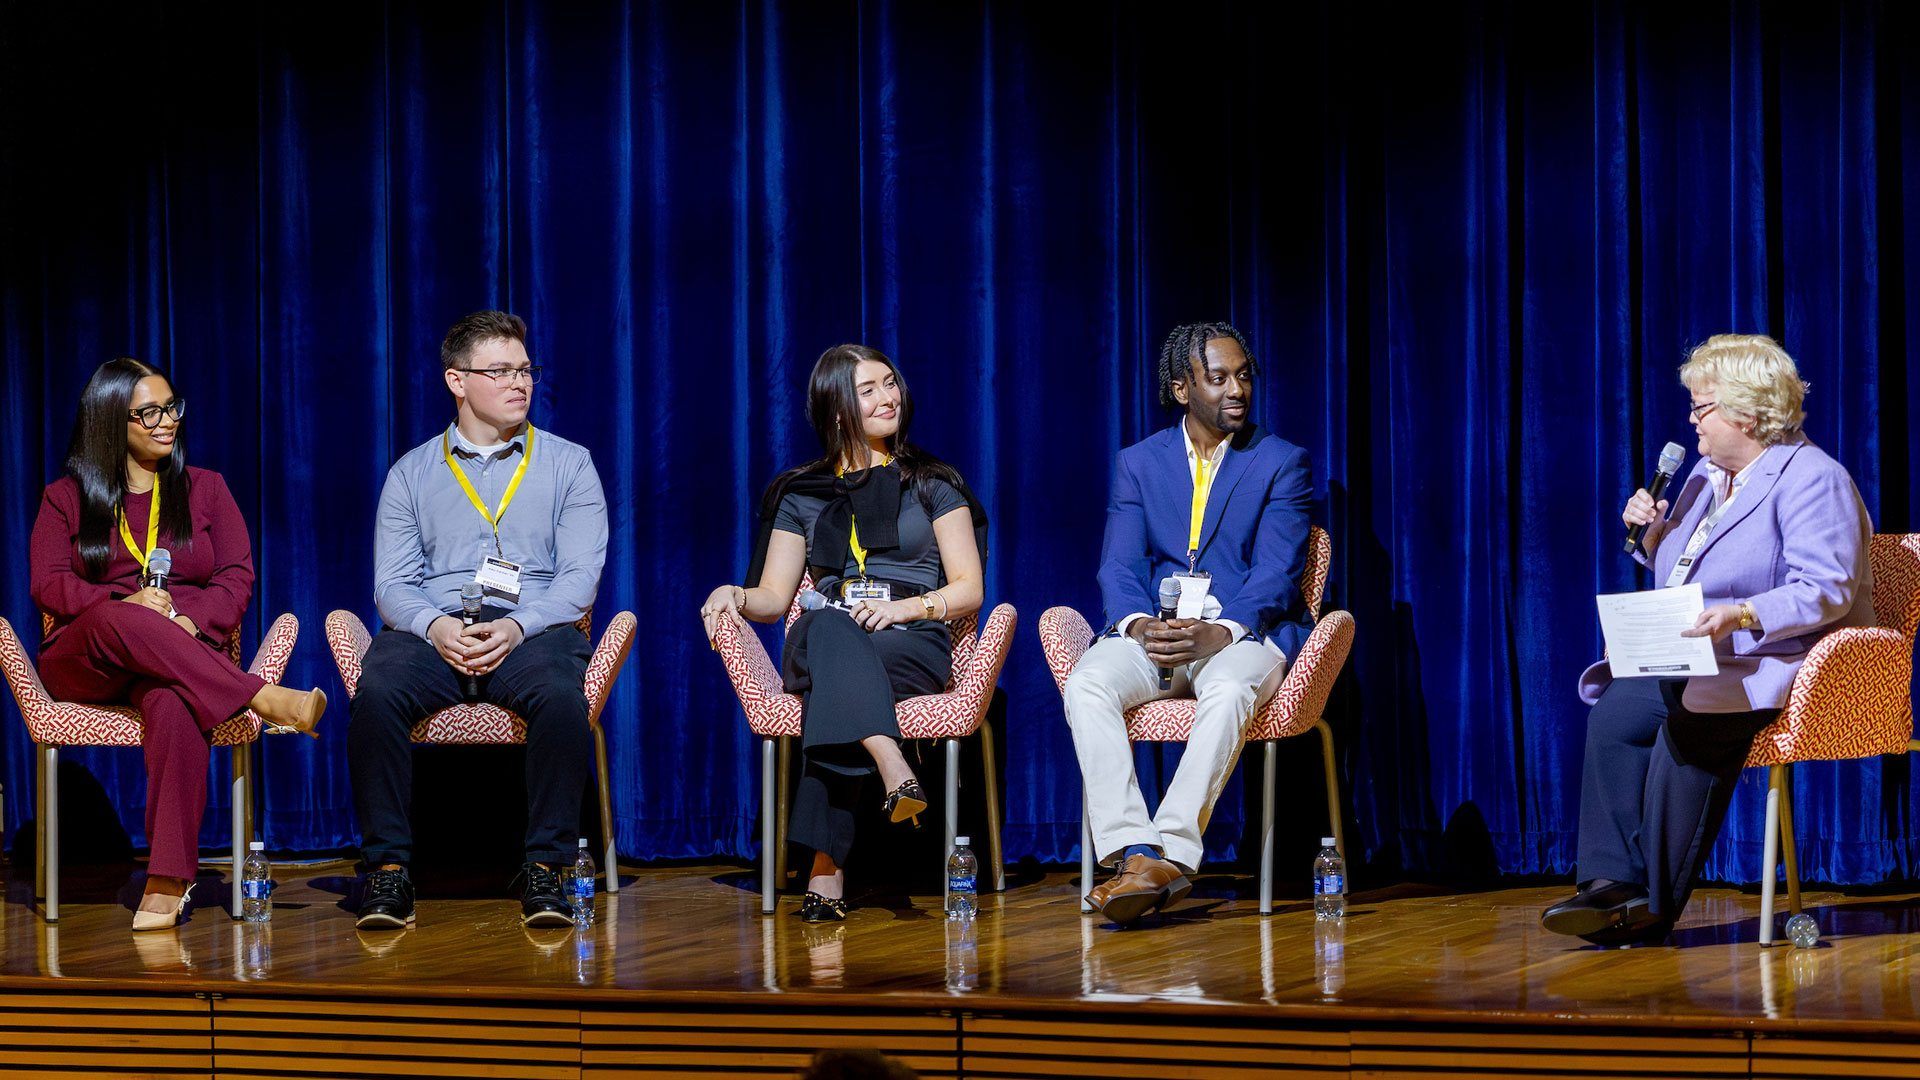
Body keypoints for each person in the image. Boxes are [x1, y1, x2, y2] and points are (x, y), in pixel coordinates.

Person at [1543, 334, 1873, 946]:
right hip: (1702, 650)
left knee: (1689, 727)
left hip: (1778, 659)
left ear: (1747, 412)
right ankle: (1611, 885)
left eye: (1702, 409)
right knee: (1617, 710)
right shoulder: (1705, 475)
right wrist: (1653, 532)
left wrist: (1741, 613)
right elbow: (1683, 567)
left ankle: (1653, 908)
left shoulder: (1811, 478)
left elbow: (1825, 588)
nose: (1691, 423)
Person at [29, 358, 327, 932]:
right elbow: (46, 582)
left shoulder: (207, 490)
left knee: (172, 702)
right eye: (149, 412)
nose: (167, 422)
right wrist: (123, 605)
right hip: (87, 657)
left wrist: (187, 622)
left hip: (177, 661)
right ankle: (262, 697)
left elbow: (237, 576)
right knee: (120, 615)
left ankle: (167, 879)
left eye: (171, 408)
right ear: (111, 422)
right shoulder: (65, 498)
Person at [701, 344, 986, 922]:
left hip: (908, 638)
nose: (889, 398)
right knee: (826, 624)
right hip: (825, 633)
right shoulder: (801, 493)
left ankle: (826, 869)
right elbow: (776, 599)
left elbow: (968, 588)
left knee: (833, 686)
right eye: (869, 390)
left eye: (891, 384)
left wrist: (908, 611)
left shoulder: (932, 482)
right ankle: (892, 761)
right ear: (835, 410)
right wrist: (733, 593)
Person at [347, 310, 608, 931]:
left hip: (533, 627)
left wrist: (520, 626)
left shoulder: (569, 464)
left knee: (559, 696)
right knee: (377, 690)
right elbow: (391, 584)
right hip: (435, 626)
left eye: (525, 369)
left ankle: (547, 867)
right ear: (457, 382)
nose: (520, 383)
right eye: (501, 371)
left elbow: (579, 579)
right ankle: (387, 872)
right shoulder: (411, 472)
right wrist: (436, 627)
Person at [1062, 321, 1313, 925]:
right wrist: (1138, 625)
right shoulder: (1138, 463)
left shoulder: (1281, 462)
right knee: (1088, 681)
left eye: (1245, 376)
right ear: (1181, 388)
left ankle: (1170, 852)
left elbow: (1277, 574)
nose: (1237, 389)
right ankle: (1135, 849)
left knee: (1227, 688)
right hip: (1160, 634)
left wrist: (1222, 631)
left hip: (1243, 637)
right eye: (1219, 377)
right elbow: (1119, 565)